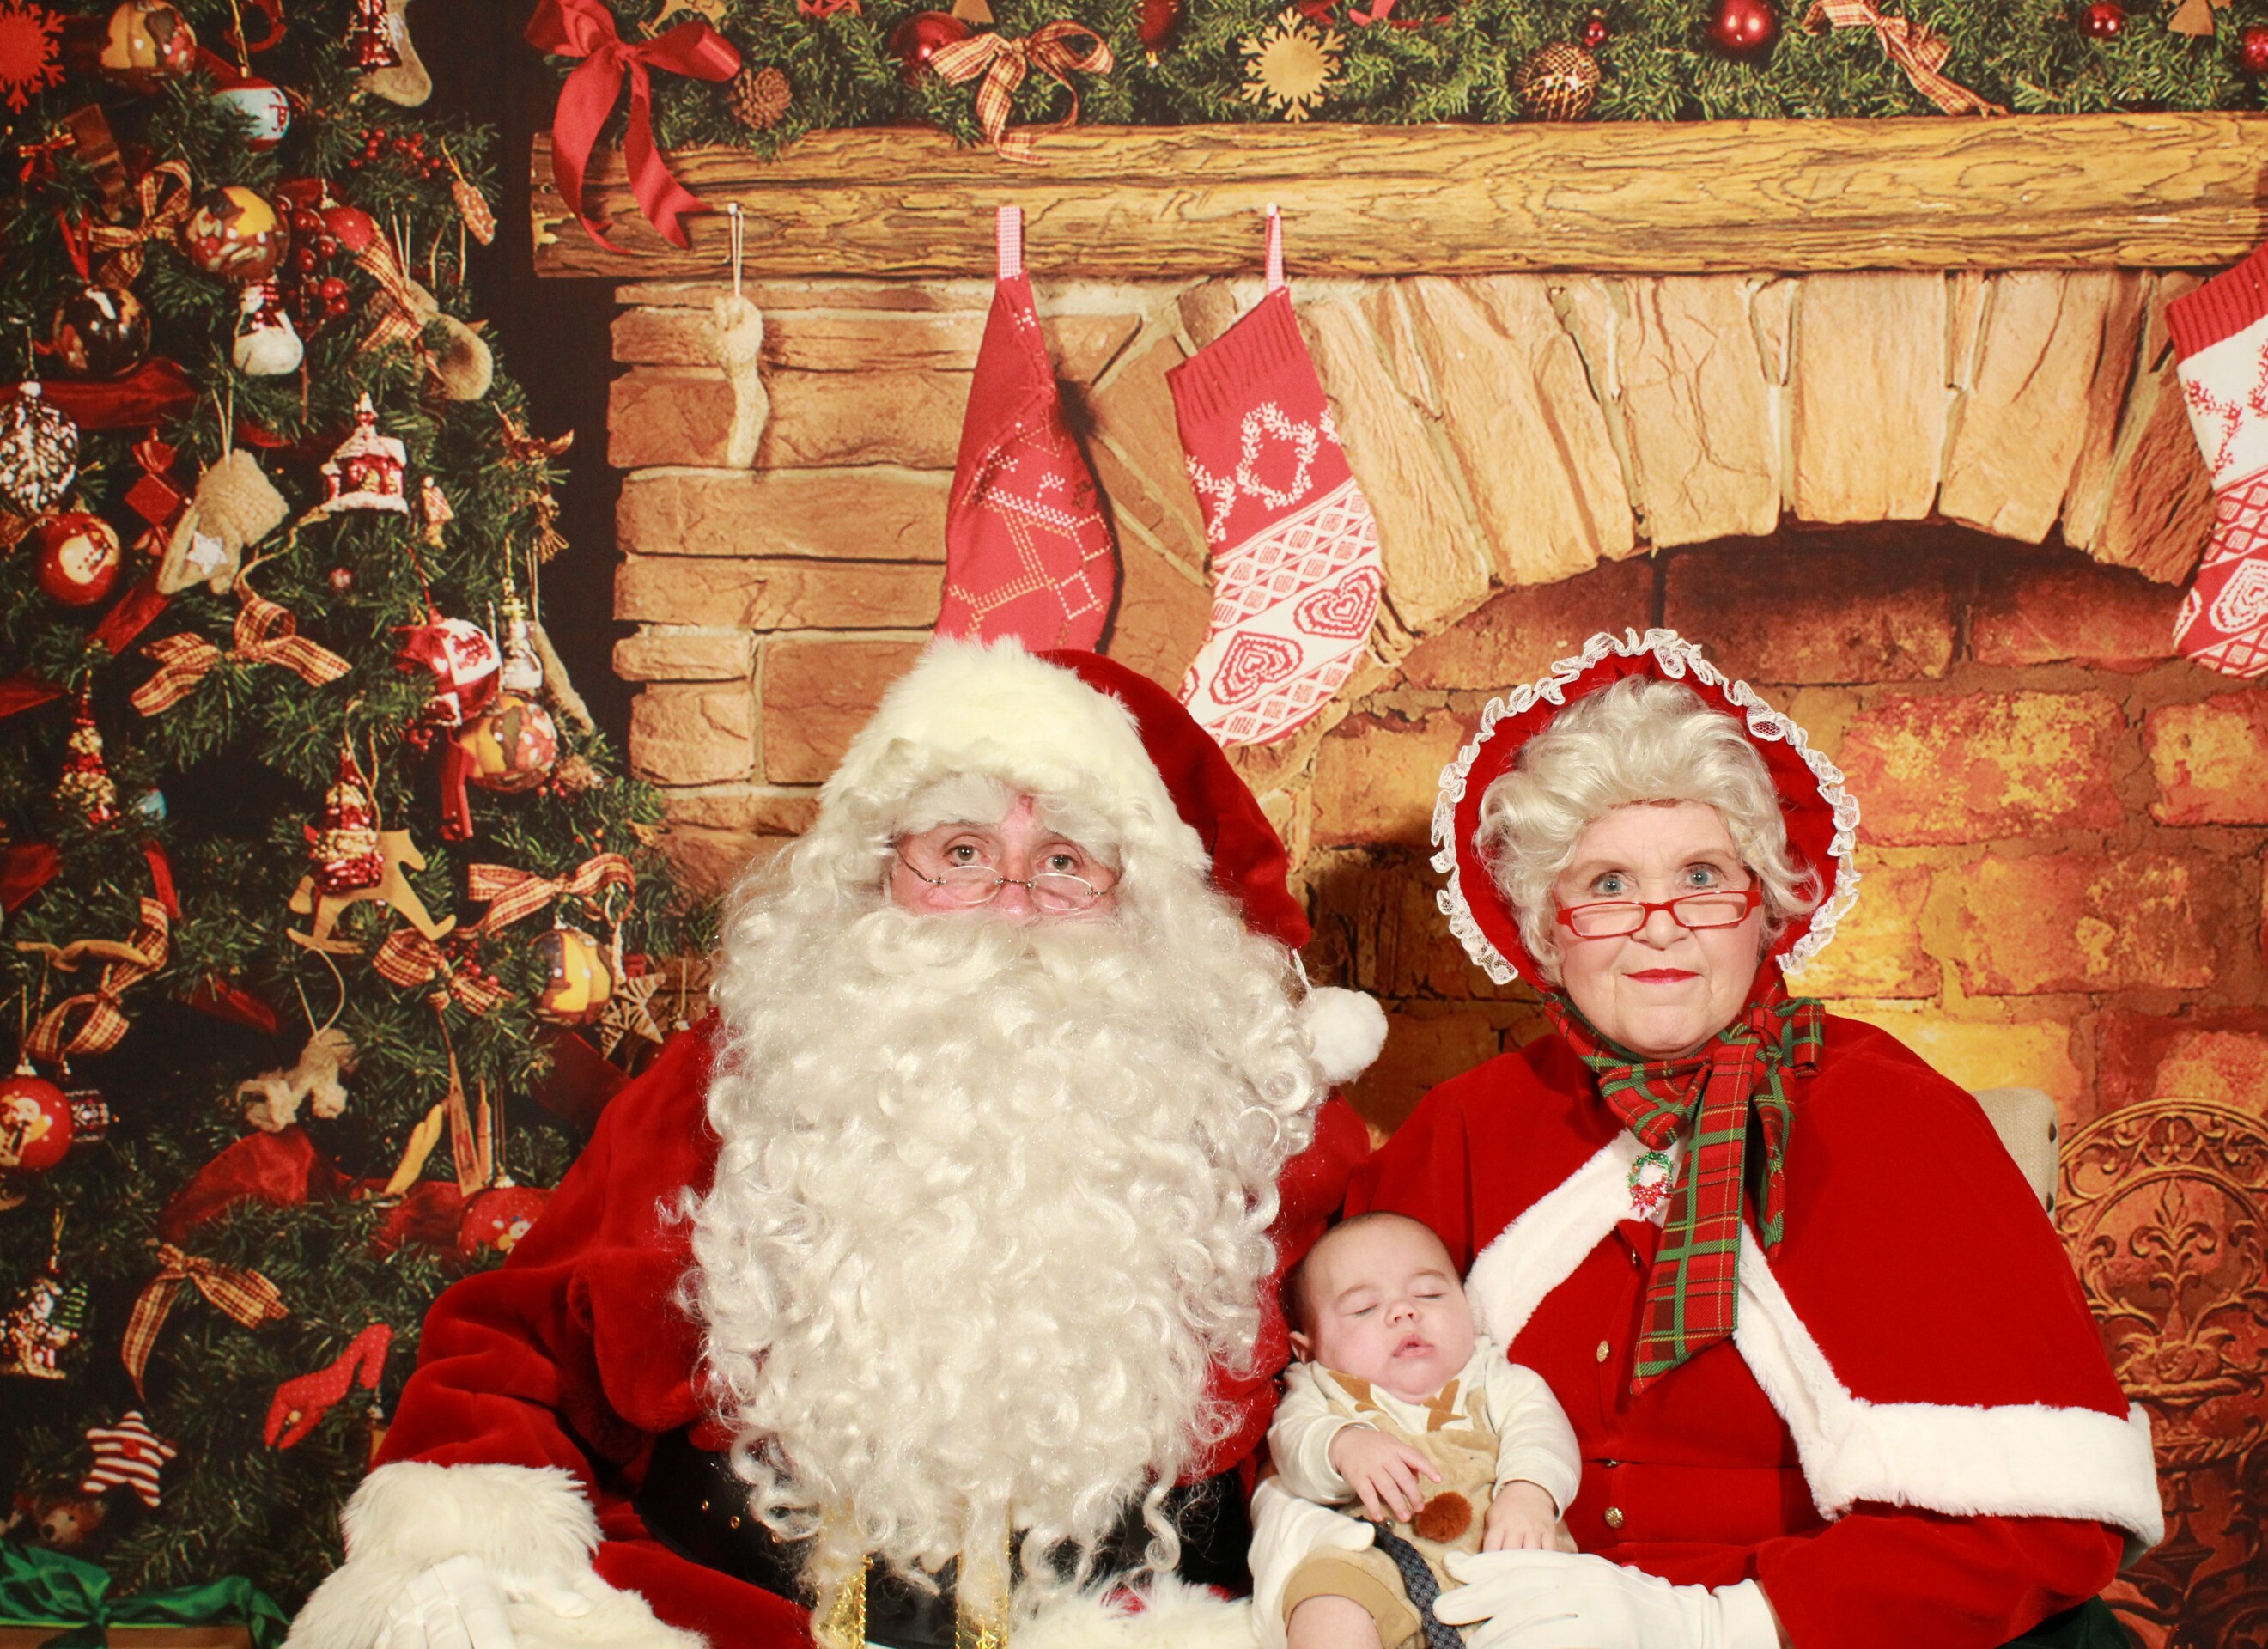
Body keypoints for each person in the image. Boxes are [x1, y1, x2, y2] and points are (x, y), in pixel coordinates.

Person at [289, 639, 1385, 1649]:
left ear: (1136, 901)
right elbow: (520, 1343)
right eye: (961, 853)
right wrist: (459, 1525)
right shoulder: (740, 1083)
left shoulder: (1253, 1129)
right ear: (879, 870)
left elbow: (1387, 1381)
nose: (1009, 905)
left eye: (1064, 862)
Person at [1352, 630, 2164, 1649]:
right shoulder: (1469, 1124)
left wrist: (1714, 1625)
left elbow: (2053, 1525)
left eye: (1702, 876)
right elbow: (1331, 1403)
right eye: (1607, 885)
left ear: (1763, 908)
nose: (1659, 923)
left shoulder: (1897, 1116)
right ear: (1546, 929)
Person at [1252, 1213, 1579, 1649]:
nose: (1404, 1311)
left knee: (1566, 1611)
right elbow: (1291, 1447)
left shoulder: (1492, 1376)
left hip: (1502, 1551)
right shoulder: (1320, 1390)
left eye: (1430, 1294)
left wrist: (1529, 1492)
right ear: (1307, 1351)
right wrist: (1342, 1445)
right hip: (1377, 1562)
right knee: (1326, 1596)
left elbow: (1542, 1430)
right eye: (1364, 1308)